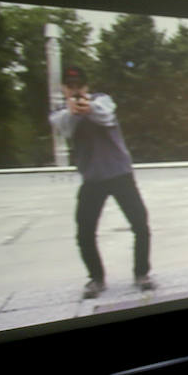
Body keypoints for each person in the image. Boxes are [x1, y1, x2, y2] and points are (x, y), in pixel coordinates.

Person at [49, 66, 154, 298]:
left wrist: (88, 108)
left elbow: (105, 114)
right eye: (71, 86)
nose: (76, 90)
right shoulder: (60, 112)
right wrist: (73, 111)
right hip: (93, 178)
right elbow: (65, 128)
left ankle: (142, 274)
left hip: (119, 174)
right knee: (84, 232)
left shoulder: (102, 100)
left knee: (140, 224)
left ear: (86, 86)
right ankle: (96, 278)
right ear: (64, 88)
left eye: (79, 85)